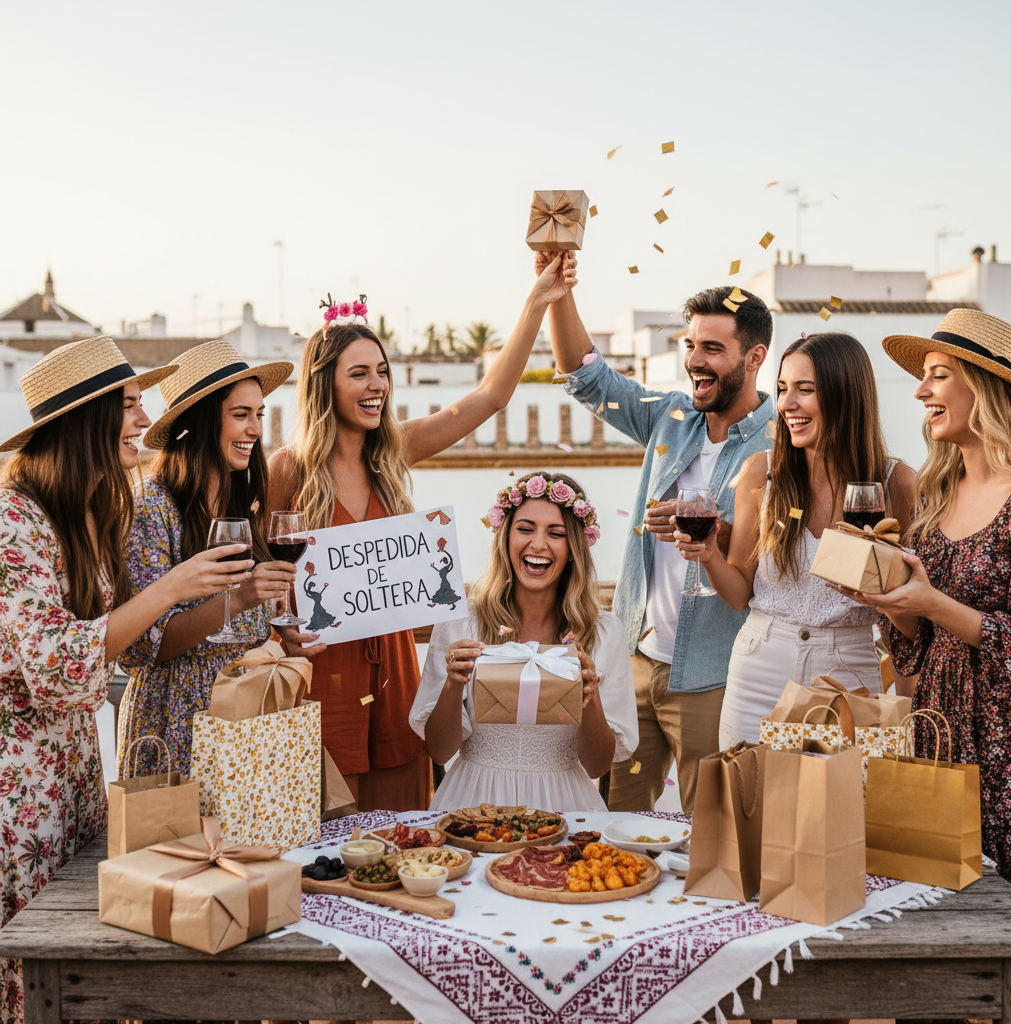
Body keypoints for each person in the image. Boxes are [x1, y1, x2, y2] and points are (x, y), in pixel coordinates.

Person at [0, 337, 251, 1024]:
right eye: (131, 405)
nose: (143, 419)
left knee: (83, 969)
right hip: (19, 788)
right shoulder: (13, 521)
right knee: (35, 974)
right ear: (86, 421)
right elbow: (56, 661)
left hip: (78, 771)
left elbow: (113, 635)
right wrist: (173, 587)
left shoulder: (90, 510)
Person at [268, 257, 578, 812]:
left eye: (382, 371)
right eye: (359, 373)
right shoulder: (286, 471)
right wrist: (278, 632)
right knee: (324, 841)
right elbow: (256, 577)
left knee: (400, 835)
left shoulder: (393, 452)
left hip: (394, 678)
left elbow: (489, 397)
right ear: (324, 384)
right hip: (322, 683)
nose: (377, 386)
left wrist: (536, 302)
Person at [545, 268, 775, 813]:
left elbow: (780, 557)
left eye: (713, 348)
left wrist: (715, 529)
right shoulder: (673, 417)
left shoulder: (782, 443)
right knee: (615, 823)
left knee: (709, 829)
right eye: (690, 345)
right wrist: (559, 292)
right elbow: (587, 377)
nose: (695, 359)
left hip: (715, 676)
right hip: (634, 662)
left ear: (755, 357)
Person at [843, 309, 1011, 896]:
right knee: (936, 896)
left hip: (1009, 746)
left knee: (1004, 911)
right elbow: (918, 645)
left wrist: (932, 603)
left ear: (987, 389)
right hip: (939, 735)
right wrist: (891, 603)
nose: (921, 391)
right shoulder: (936, 494)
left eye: (939, 375)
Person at [674, 332, 916, 747]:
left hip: (850, 673)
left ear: (845, 396)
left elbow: (912, 625)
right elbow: (739, 594)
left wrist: (882, 595)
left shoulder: (897, 483)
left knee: (845, 790)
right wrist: (709, 553)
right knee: (750, 787)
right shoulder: (761, 473)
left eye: (805, 390)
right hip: (759, 670)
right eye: (783, 388)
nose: (786, 404)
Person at [116, 340, 297, 777]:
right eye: (241, 414)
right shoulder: (152, 507)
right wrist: (242, 598)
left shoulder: (242, 505)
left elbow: (245, 626)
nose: (256, 429)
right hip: (178, 721)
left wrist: (283, 636)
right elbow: (142, 646)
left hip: (246, 716)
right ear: (200, 423)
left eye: (259, 414)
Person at [409, 472, 637, 810]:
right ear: (505, 538)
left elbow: (597, 766)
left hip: (565, 802)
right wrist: (453, 685)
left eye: (556, 533)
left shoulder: (604, 631)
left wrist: (590, 699)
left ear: (573, 549)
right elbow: (440, 751)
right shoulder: (461, 622)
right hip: (472, 799)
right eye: (525, 529)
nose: (538, 544)